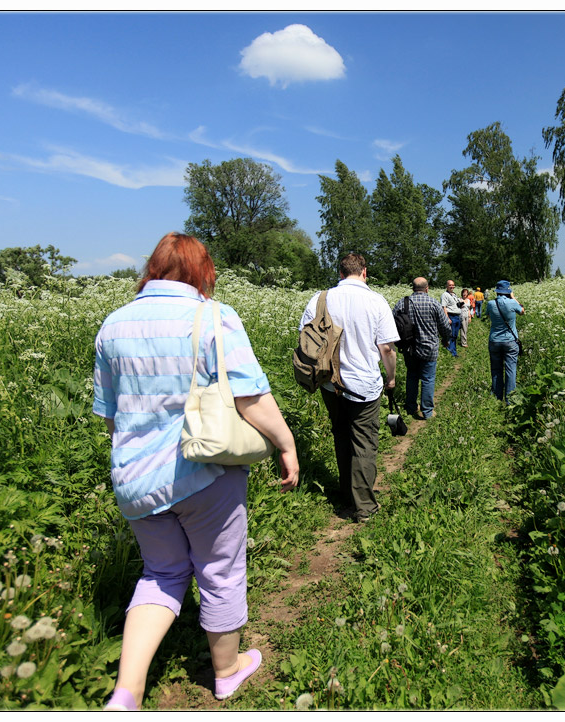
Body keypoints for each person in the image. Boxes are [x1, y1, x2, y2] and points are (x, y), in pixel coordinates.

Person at [93, 233, 300, 711]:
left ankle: (126, 692)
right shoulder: (214, 316)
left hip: (136, 480)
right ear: (201, 271)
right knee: (219, 570)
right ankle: (226, 671)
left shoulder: (114, 324)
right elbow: (251, 398)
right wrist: (285, 445)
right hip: (206, 473)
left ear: (152, 269)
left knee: (161, 573)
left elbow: (110, 414)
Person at [299, 253, 398, 523]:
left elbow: (305, 338)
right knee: (364, 443)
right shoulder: (376, 301)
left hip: (331, 384)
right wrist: (390, 378)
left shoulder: (320, 299)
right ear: (365, 272)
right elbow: (387, 348)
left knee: (341, 436)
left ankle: (346, 496)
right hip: (364, 385)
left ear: (340, 273)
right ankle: (364, 507)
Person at [393, 277, 452, 420]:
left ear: (413, 288)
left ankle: (411, 407)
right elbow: (445, 326)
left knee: (412, 376)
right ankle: (427, 411)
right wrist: (446, 339)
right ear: (427, 288)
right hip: (429, 348)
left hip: (409, 348)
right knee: (428, 379)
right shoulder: (433, 303)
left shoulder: (402, 303)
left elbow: (392, 323)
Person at [486, 279, 525, 404]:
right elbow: (522, 312)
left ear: (497, 291)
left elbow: (487, 315)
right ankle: (510, 400)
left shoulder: (491, 304)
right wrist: (513, 298)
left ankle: (498, 397)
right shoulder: (512, 303)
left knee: (496, 369)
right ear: (508, 291)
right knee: (511, 369)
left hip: (494, 340)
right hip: (510, 341)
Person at [440, 279, 463, 357]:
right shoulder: (445, 295)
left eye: (453, 285)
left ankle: (454, 351)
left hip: (457, 316)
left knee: (455, 335)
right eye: (450, 285)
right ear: (447, 286)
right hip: (451, 316)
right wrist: (447, 318)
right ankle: (451, 353)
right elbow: (444, 307)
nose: (452, 286)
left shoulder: (454, 294)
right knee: (451, 335)